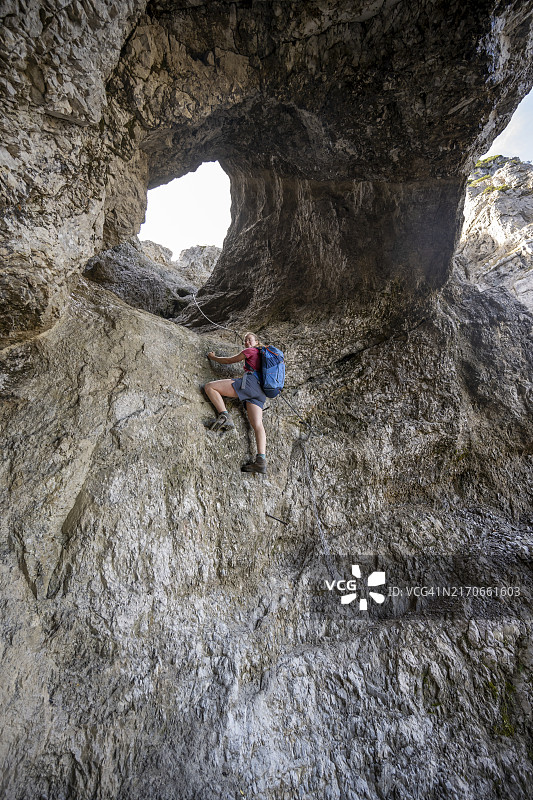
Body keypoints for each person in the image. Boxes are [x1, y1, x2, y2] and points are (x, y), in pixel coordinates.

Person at [205, 332, 267, 474]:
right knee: (258, 425)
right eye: (245, 341)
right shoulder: (264, 356)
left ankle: (224, 416)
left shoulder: (251, 351)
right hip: (261, 392)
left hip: (250, 385)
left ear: (257, 342)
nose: (247, 342)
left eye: (250, 340)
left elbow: (229, 360)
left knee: (210, 387)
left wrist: (212, 357)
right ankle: (261, 460)